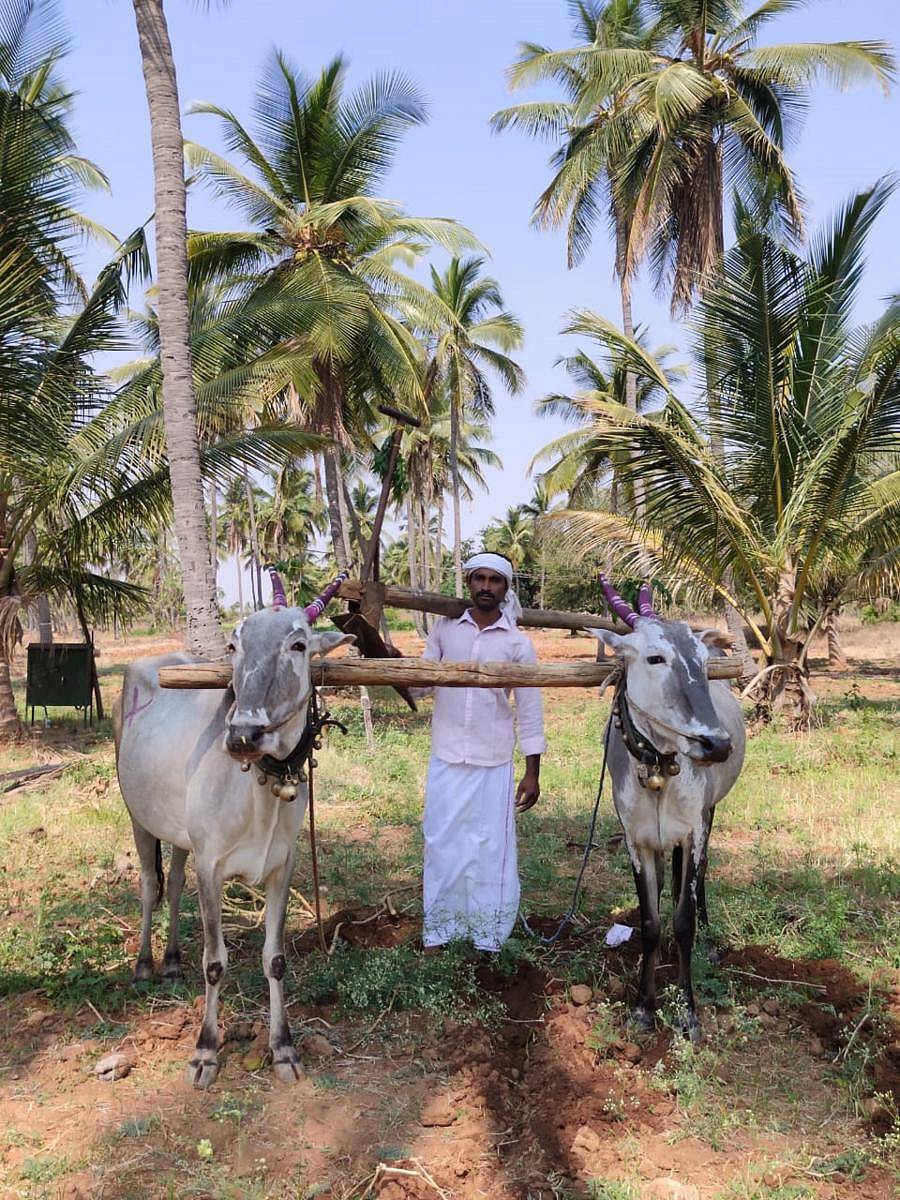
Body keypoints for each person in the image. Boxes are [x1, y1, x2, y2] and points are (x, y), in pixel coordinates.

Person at [414, 551, 546, 953]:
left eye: (496, 580)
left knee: (491, 848)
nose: (487, 587)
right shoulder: (445, 631)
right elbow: (418, 687)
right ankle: (440, 930)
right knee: (442, 843)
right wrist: (381, 652)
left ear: (506, 588)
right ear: (468, 582)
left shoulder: (517, 644)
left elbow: (529, 709)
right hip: (447, 758)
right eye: (480, 579)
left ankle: (489, 935)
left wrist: (532, 772)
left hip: (494, 762)